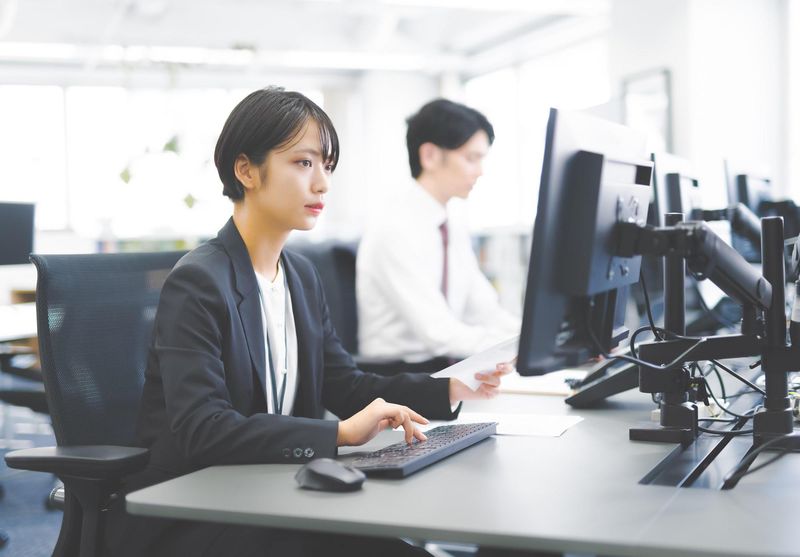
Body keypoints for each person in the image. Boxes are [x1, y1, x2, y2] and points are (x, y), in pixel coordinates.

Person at [104, 87, 512, 557]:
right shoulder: (199, 282)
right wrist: (336, 434)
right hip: (194, 511)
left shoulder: (299, 276)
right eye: (303, 163)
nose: (322, 184)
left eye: (327, 166)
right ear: (246, 171)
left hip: (271, 492)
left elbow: (345, 385)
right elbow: (204, 429)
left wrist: (452, 388)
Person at [357, 99, 520, 369]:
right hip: (398, 376)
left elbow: (484, 310)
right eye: (471, 158)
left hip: (443, 367)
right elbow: (438, 333)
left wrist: (536, 341)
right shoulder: (393, 228)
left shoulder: (450, 224)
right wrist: (516, 348)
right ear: (430, 156)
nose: (480, 172)